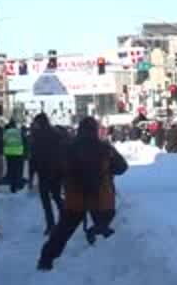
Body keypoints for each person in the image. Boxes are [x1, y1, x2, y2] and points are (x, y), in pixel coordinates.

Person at [37, 116, 128, 271]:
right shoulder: (106, 148)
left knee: (62, 231)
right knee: (105, 227)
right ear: (95, 131)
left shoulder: (68, 148)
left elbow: (57, 172)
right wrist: (107, 171)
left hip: (75, 198)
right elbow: (122, 167)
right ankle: (114, 261)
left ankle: (46, 260)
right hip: (101, 198)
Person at [29, 113, 66, 235]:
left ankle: (51, 224)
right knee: (56, 196)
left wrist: (31, 174)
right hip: (54, 171)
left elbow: (33, 157)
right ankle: (62, 221)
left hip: (45, 171)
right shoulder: (56, 134)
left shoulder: (37, 136)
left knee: (47, 199)